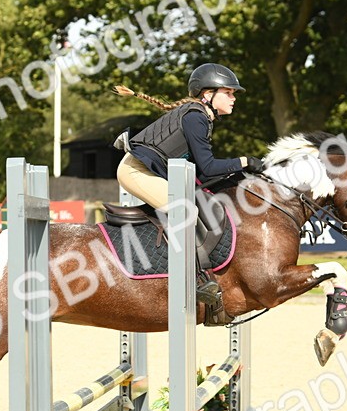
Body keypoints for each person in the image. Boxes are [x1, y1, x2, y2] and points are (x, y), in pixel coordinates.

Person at [112, 63, 265, 307]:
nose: (234, 98)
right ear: (208, 94)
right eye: (228, 92)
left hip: (147, 170)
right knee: (186, 212)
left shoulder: (200, 116)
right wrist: (245, 161)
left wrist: (236, 174)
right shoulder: (196, 118)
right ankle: (195, 281)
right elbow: (208, 167)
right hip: (135, 171)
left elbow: (200, 176)